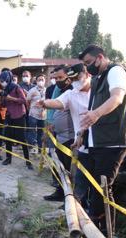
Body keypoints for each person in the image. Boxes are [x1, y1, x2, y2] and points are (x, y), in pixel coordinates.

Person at [79, 45, 126, 236]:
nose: (87, 68)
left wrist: (95, 114)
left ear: (100, 57)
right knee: (96, 187)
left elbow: (117, 98)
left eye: (88, 63)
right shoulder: (98, 78)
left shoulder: (116, 71)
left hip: (114, 140)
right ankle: (98, 232)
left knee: (102, 188)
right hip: (99, 140)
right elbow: (92, 107)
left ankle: (104, 236)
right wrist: (83, 133)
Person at [37, 64, 92, 205]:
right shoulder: (71, 93)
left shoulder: (98, 93)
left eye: (77, 78)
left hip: (96, 141)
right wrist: (45, 103)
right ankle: (70, 200)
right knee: (70, 171)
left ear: (87, 75)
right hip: (78, 141)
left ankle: (84, 205)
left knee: (89, 176)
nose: (74, 81)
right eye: (72, 79)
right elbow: (58, 102)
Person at [44, 65, 75, 201]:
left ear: (69, 76)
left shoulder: (74, 90)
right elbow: (53, 106)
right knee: (60, 164)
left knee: (69, 167)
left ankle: (69, 197)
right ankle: (60, 191)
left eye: (60, 77)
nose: (57, 80)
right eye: (55, 78)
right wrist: (51, 122)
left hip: (71, 137)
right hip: (59, 134)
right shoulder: (58, 89)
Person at [0, 70, 32, 169]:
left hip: (19, 116)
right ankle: (8, 158)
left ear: (8, 79)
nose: (2, 82)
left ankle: (28, 161)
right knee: (8, 138)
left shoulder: (16, 87)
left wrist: (11, 99)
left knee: (22, 139)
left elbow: (24, 100)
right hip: (9, 116)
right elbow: (3, 104)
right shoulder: (5, 89)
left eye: (3, 80)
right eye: (1, 81)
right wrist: (1, 97)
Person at [26, 74, 47, 150]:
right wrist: (30, 109)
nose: (41, 81)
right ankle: (30, 147)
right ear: (36, 81)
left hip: (43, 116)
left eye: (42, 80)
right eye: (39, 80)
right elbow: (27, 101)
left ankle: (40, 148)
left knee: (40, 132)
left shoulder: (47, 90)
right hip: (33, 114)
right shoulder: (32, 90)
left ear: (45, 81)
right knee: (32, 131)